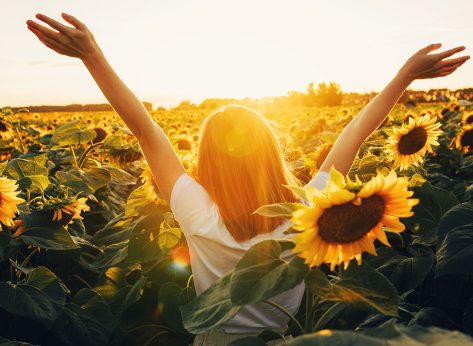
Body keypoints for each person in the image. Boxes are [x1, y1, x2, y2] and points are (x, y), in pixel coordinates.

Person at [26, 12, 469, 346]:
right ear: (271, 151)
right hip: (288, 338)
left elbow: (145, 129)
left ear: (208, 158)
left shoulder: (194, 208)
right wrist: (404, 77)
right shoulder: (304, 211)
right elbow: (354, 134)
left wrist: (93, 57)